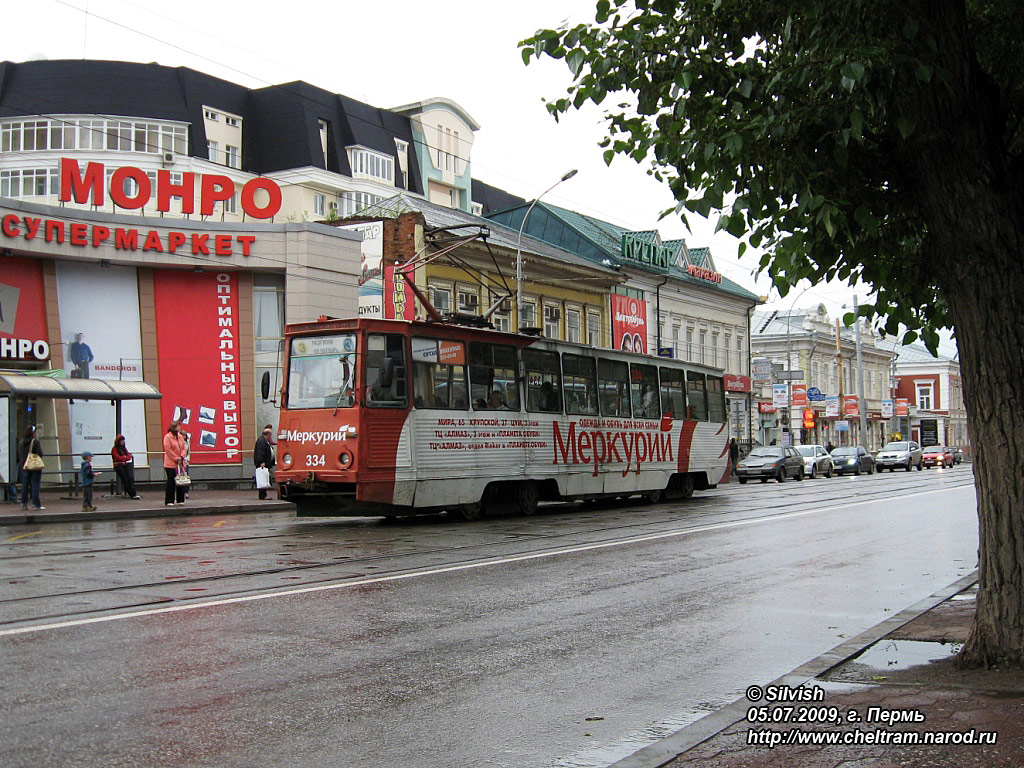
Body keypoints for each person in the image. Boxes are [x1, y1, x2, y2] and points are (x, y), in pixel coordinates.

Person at [18, 425, 44, 510]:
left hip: (25, 466)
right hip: (34, 466)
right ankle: (36, 504)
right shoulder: (35, 442)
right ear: (33, 433)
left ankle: (23, 503)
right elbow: (40, 453)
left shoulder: (22, 442)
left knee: (25, 485)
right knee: (35, 485)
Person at [163, 421, 187, 505]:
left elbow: (184, 448)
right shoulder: (167, 437)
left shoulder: (180, 437)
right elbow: (168, 449)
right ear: (174, 427)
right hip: (170, 464)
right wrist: (176, 458)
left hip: (180, 463)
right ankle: (169, 500)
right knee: (171, 481)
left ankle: (180, 499)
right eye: (178, 426)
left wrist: (181, 456)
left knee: (181, 481)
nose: (180, 428)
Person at [111, 434, 141, 499]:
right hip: (118, 465)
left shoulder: (124, 448)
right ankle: (131, 493)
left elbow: (128, 456)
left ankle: (133, 493)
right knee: (125, 479)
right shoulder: (114, 449)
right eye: (121, 441)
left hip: (124, 464)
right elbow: (118, 457)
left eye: (123, 441)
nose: (122, 442)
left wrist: (124, 457)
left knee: (130, 477)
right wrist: (125, 457)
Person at [253, 427, 276, 500]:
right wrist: (262, 462)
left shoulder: (264, 441)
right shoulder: (262, 441)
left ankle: (263, 494)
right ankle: (262, 495)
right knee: (262, 479)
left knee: (264, 478)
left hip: (265, 463)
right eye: (271, 434)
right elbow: (260, 452)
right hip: (263, 464)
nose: (271, 436)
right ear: (268, 434)